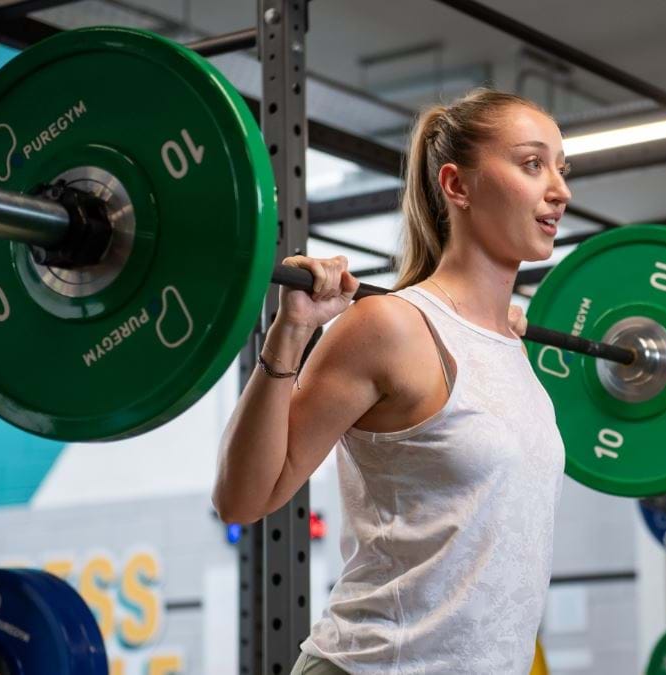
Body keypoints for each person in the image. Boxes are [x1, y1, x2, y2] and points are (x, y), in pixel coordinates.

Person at [213, 89, 572, 674]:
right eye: (533, 164)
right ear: (457, 186)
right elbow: (243, 498)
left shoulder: (512, 343)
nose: (560, 189)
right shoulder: (390, 326)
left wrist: (490, 327)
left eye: (562, 168)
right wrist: (290, 332)